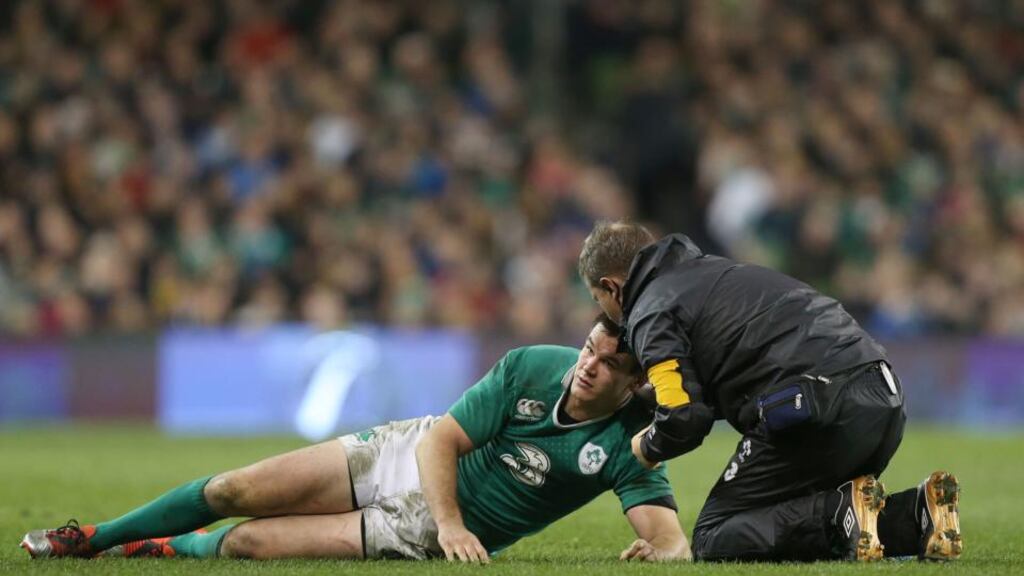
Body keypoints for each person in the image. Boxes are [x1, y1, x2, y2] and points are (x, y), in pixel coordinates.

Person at [21, 315, 691, 563]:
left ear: (632, 384)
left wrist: (662, 548)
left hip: (418, 534)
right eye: (586, 350)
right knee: (235, 489)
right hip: (410, 456)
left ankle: (160, 545)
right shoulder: (532, 366)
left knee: (250, 542)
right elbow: (441, 442)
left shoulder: (630, 438)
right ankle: (95, 538)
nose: (586, 367)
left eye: (605, 365)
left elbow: (670, 540)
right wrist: (457, 524)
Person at [578, 221, 961, 562]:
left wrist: (646, 448)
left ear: (611, 287)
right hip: (884, 396)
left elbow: (683, 417)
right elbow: (715, 384)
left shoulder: (649, 309)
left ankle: (837, 511)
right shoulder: (713, 272)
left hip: (814, 407)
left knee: (715, 535)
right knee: (785, 510)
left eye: (598, 300)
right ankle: (917, 514)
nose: (608, 313)